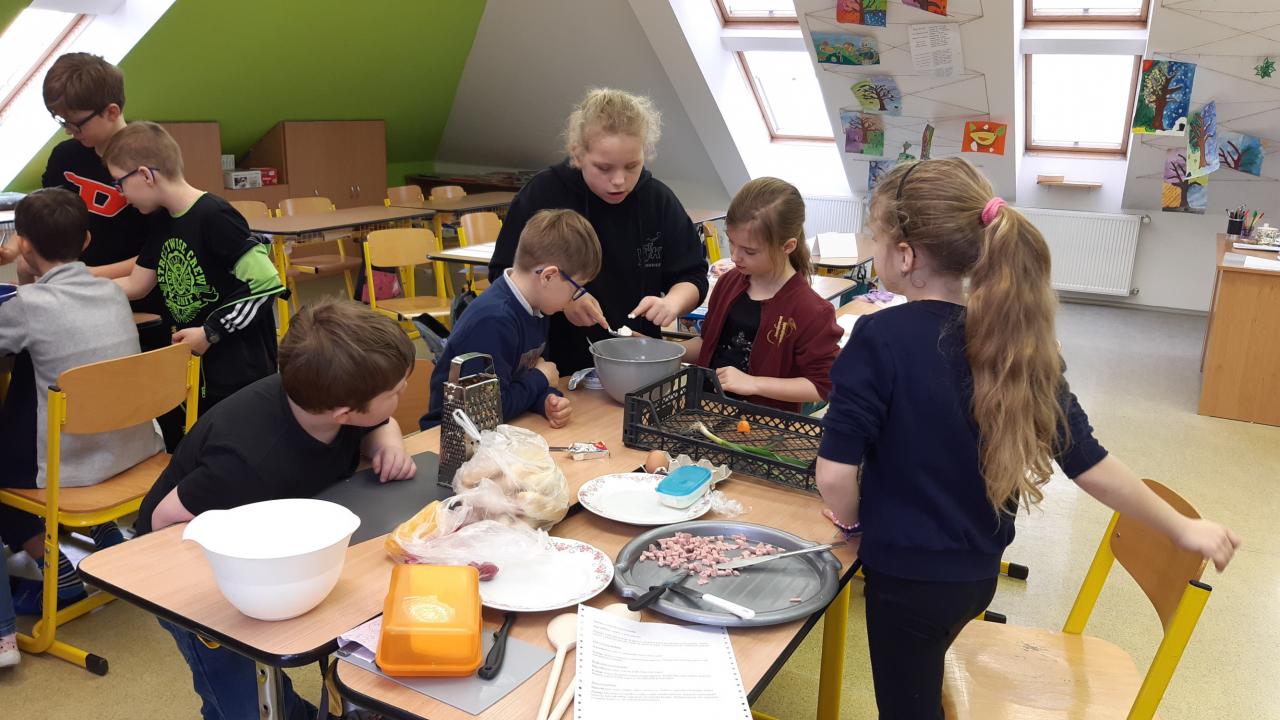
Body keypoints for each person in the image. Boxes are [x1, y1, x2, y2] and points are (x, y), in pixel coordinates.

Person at [814, 157, 1242, 719]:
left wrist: (854, 524)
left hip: (907, 580)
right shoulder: (1017, 345)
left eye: (875, 237)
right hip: (975, 577)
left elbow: (834, 476)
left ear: (907, 255)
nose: (872, 250)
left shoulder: (878, 336)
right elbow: (1089, 463)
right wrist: (1183, 527)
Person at [134, 298, 417, 720]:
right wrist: (237, 575)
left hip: (279, 545)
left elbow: (379, 422)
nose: (404, 392)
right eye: (395, 392)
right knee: (241, 697)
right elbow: (164, 522)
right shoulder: (245, 461)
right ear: (343, 412)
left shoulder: (324, 398)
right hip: (187, 572)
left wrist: (386, 446)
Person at [0, 189, 164, 615]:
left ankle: (52, 566)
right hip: (130, 448)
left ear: (24, 245)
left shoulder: (25, 306)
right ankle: (106, 532)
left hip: (73, 465)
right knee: (57, 385)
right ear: (87, 241)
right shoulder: (112, 293)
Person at [488, 88, 708, 374]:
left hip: (636, 367)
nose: (619, 180)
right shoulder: (544, 194)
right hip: (553, 368)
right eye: (604, 168)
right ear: (577, 154)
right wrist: (567, 301)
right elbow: (504, 275)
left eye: (632, 166)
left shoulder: (657, 201)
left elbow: (692, 275)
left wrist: (672, 303)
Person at [105, 121, 284, 414]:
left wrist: (211, 332)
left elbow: (265, 284)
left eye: (119, 182)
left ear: (145, 175)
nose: (121, 194)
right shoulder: (162, 221)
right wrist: (76, 290)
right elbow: (137, 284)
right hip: (201, 364)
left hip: (239, 368)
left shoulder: (215, 215)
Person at [421, 209, 602, 430]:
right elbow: (484, 412)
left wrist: (545, 399)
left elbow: (523, 377)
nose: (576, 297)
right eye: (577, 288)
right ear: (548, 276)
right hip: (448, 436)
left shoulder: (537, 307)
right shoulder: (493, 321)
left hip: (499, 428)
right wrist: (540, 379)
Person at [681, 178, 841, 412]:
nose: (734, 256)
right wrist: (666, 352)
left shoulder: (812, 310)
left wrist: (754, 384)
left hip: (763, 425)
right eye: (732, 242)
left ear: (788, 246)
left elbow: (822, 385)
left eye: (749, 251)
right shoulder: (728, 282)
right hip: (706, 411)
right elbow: (708, 344)